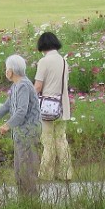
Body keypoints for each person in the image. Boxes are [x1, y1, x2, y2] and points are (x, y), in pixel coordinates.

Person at [0, 55, 41, 196]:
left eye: (7, 69)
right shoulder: (16, 86)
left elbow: (21, 111)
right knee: (19, 168)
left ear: (11, 71)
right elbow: (7, 106)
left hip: (28, 133)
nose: (6, 71)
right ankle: (24, 200)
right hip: (21, 133)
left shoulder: (24, 86)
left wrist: (7, 125)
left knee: (26, 169)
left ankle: (31, 202)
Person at [34, 32, 74, 181]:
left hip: (47, 107)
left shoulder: (44, 61)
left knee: (47, 140)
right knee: (61, 140)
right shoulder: (63, 61)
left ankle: (46, 174)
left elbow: (38, 86)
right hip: (62, 106)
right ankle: (65, 173)